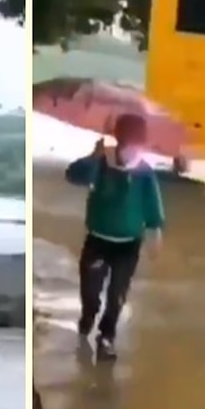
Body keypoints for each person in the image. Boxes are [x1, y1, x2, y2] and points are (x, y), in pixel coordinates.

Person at [64, 113, 165, 361]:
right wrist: (92, 157)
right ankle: (89, 313)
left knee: (117, 294)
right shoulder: (101, 163)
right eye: (128, 141)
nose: (132, 149)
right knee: (90, 289)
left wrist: (155, 233)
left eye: (137, 143)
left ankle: (107, 335)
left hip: (128, 246)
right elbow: (73, 175)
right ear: (118, 140)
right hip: (98, 240)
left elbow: (152, 205)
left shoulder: (143, 172)